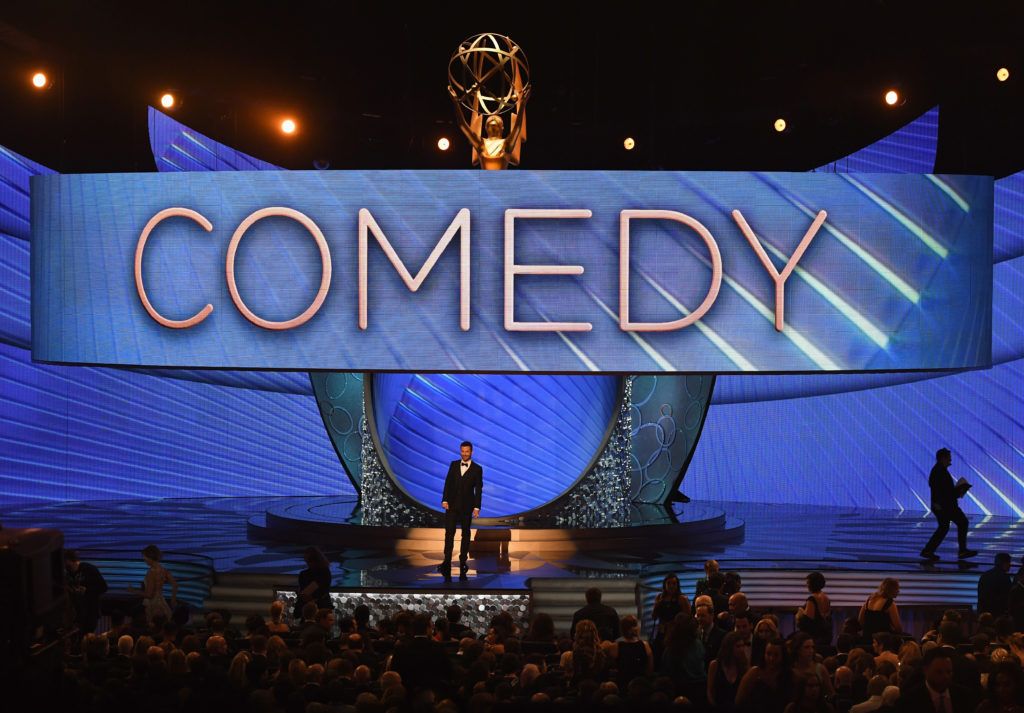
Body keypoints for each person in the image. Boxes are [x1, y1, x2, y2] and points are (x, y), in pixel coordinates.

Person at [920, 448, 977, 560]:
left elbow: (942, 490)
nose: (950, 460)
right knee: (962, 522)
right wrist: (958, 491)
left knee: (944, 527)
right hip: (946, 506)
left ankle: (928, 551)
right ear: (943, 458)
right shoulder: (939, 471)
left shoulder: (939, 470)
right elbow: (939, 489)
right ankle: (962, 551)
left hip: (944, 505)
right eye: (949, 457)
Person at [439, 440, 483, 580]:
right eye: (462, 451)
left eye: (467, 451)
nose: (464, 454)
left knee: (465, 534)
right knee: (449, 533)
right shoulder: (453, 464)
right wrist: (444, 499)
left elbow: (479, 490)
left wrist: (477, 507)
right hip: (451, 505)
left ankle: (463, 561)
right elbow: (448, 482)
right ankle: (446, 561)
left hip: (467, 507)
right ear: (460, 451)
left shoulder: (477, 469)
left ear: (471, 452)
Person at [897, 647, 977, 713]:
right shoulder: (910, 701)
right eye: (939, 672)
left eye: (949, 672)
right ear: (925, 670)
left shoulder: (964, 697)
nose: (946, 676)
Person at [736, 636, 790, 713]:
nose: (771, 658)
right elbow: (739, 701)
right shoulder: (754, 673)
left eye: (776, 655)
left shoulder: (788, 675)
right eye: (768, 654)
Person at [64, 549, 108, 635]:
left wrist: (87, 590)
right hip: (75, 615)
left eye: (65, 562)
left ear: (70, 560)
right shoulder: (67, 573)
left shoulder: (89, 569)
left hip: (90, 613)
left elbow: (103, 587)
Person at [131, 544, 177, 625]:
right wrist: (173, 599)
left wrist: (133, 591)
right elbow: (175, 585)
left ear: (150, 557)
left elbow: (149, 595)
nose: (144, 559)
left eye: (144, 557)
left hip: (153, 604)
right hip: (162, 602)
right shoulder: (163, 570)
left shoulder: (151, 572)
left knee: (153, 626)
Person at [652, 573, 690, 664]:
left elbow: (688, 617)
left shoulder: (682, 599)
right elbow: (653, 616)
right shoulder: (659, 597)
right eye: (669, 583)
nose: (671, 586)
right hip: (662, 631)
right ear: (665, 585)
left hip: (676, 633)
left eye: (674, 583)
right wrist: (657, 604)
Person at [708, 630, 749, 711]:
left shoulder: (744, 666)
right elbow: (710, 691)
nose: (741, 649)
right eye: (738, 646)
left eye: (742, 646)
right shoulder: (715, 665)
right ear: (729, 647)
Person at [797, 572, 832, 650]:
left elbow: (808, 621)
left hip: (815, 639)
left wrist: (800, 614)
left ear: (812, 584)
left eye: (808, 583)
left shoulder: (812, 599)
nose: (807, 585)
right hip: (825, 637)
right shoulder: (826, 598)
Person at [294, 547, 332, 619]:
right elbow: (325, 590)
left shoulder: (304, 574)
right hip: (322, 607)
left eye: (309, 561)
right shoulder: (325, 572)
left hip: (309, 607)